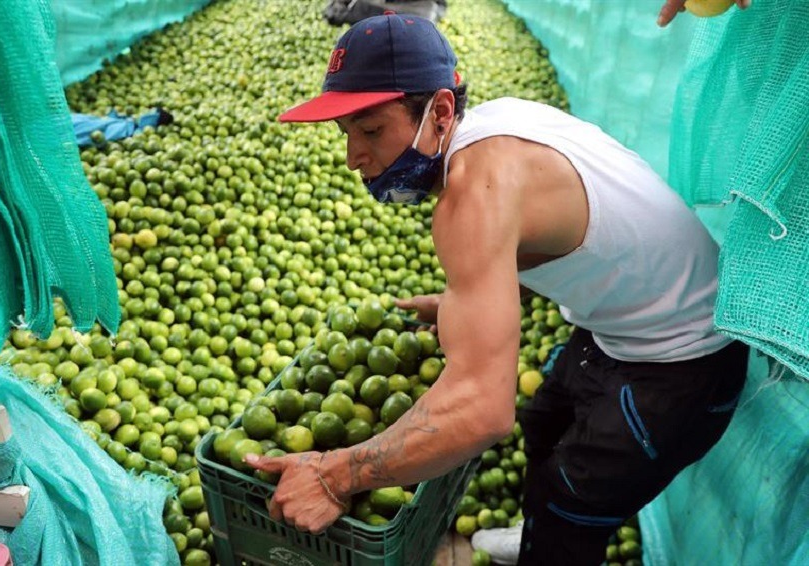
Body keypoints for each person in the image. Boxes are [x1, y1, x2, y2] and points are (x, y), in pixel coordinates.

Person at [246, 12, 749, 565]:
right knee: (544, 424)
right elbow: (562, 236)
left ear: (439, 110)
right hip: (626, 325)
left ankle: (552, 535)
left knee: (569, 509)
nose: (354, 160)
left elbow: (483, 413)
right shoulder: (498, 124)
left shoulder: (471, 195)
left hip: (686, 361)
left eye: (370, 131)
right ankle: (540, 526)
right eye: (347, 136)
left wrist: (335, 475)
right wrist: (471, 303)